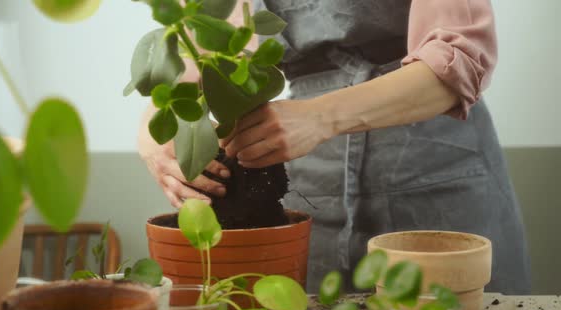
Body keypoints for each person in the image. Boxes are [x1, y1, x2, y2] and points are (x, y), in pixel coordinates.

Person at [138, 0, 531, 294]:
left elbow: (460, 56)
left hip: (435, 167)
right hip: (313, 179)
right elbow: (190, 60)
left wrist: (319, 117)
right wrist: (151, 137)